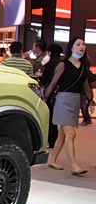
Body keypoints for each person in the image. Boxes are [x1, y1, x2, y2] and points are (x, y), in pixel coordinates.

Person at [44, 38, 93, 175]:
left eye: (83, 44)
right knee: (71, 134)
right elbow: (53, 83)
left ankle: (52, 160)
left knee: (62, 134)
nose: (82, 46)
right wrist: (45, 98)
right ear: (71, 48)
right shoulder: (63, 65)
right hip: (63, 100)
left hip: (75, 101)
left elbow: (85, 85)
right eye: (78, 44)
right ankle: (74, 165)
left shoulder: (83, 66)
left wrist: (90, 100)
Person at [39, 43, 64, 148]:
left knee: (47, 117)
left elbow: (48, 80)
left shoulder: (49, 64)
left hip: (48, 92)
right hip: (57, 94)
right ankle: (53, 140)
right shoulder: (61, 64)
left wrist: (46, 94)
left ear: (50, 52)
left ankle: (49, 139)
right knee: (53, 119)